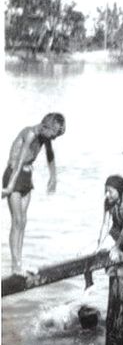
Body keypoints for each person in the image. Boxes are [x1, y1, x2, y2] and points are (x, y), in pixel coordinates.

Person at [3, 112, 66, 275]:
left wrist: (53, 176)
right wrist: (10, 186)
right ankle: (15, 266)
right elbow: (18, 163)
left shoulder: (45, 136)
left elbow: (50, 155)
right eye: (54, 134)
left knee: (23, 222)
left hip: (26, 177)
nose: (54, 138)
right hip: (14, 175)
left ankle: (19, 263)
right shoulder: (30, 133)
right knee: (16, 220)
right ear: (46, 126)